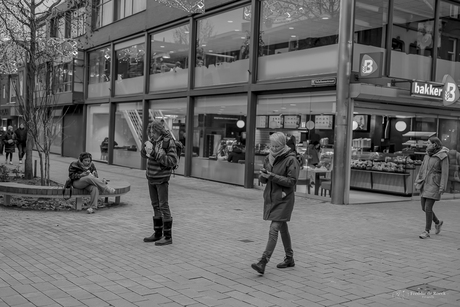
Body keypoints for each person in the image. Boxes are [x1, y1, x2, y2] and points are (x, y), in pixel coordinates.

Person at [252, 132, 300, 275]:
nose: (273, 148)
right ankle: (289, 258)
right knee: (282, 228)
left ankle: (263, 261)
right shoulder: (268, 158)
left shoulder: (291, 160)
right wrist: (263, 176)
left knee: (274, 228)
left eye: (276, 146)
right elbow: (264, 180)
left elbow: (292, 182)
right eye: (271, 145)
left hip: (284, 199)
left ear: (282, 145)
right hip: (272, 197)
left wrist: (271, 176)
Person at [141, 120, 178, 246]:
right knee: (155, 205)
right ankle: (157, 233)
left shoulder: (168, 142)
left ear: (159, 131)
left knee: (164, 206)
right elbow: (145, 156)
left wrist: (155, 153)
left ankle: (168, 236)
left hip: (161, 178)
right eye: (150, 131)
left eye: (154, 131)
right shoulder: (152, 141)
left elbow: (171, 161)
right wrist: (145, 149)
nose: (152, 134)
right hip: (151, 177)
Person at [415, 137, 449, 239]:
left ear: (434, 144)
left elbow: (445, 172)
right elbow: (422, 169)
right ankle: (438, 223)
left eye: (428, 143)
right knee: (423, 208)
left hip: (434, 183)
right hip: (425, 183)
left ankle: (426, 231)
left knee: (428, 207)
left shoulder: (442, 156)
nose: (427, 144)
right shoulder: (427, 154)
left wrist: (442, 186)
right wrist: (418, 180)